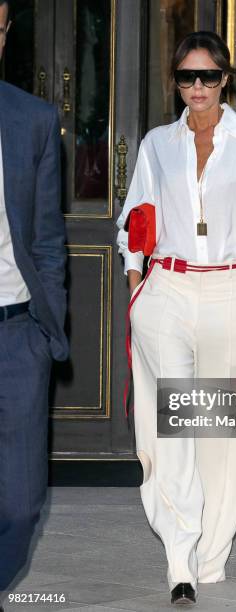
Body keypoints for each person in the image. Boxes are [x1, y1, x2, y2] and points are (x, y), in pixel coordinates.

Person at [117, 31, 236, 606]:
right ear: (176, 81)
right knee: (171, 432)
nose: (197, 88)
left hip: (233, 295)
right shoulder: (158, 144)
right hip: (166, 289)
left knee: (225, 436)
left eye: (207, 77)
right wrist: (139, 290)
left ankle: (211, 556)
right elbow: (134, 219)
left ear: (225, 79)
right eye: (186, 77)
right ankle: (178, 558)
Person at [0, 0, 68, 601]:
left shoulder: (33, 119)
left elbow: (48, 239)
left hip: (16, 332)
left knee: (21, 504)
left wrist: (48, 332)